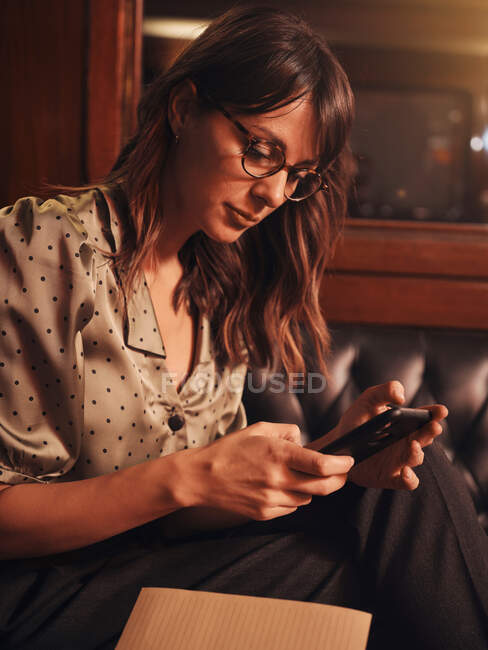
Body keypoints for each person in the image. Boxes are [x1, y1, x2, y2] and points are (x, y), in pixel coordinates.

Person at [0, 6, 486, 650]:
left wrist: (326, 458)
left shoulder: (220, 282)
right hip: (38, 596)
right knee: (377, 569)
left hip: (156, 571)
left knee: (413, 489)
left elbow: (186, 522)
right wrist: (191, 474)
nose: (275, 194)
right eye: (262, 151)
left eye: (298, 175)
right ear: (182, 109)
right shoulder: (48, 244)